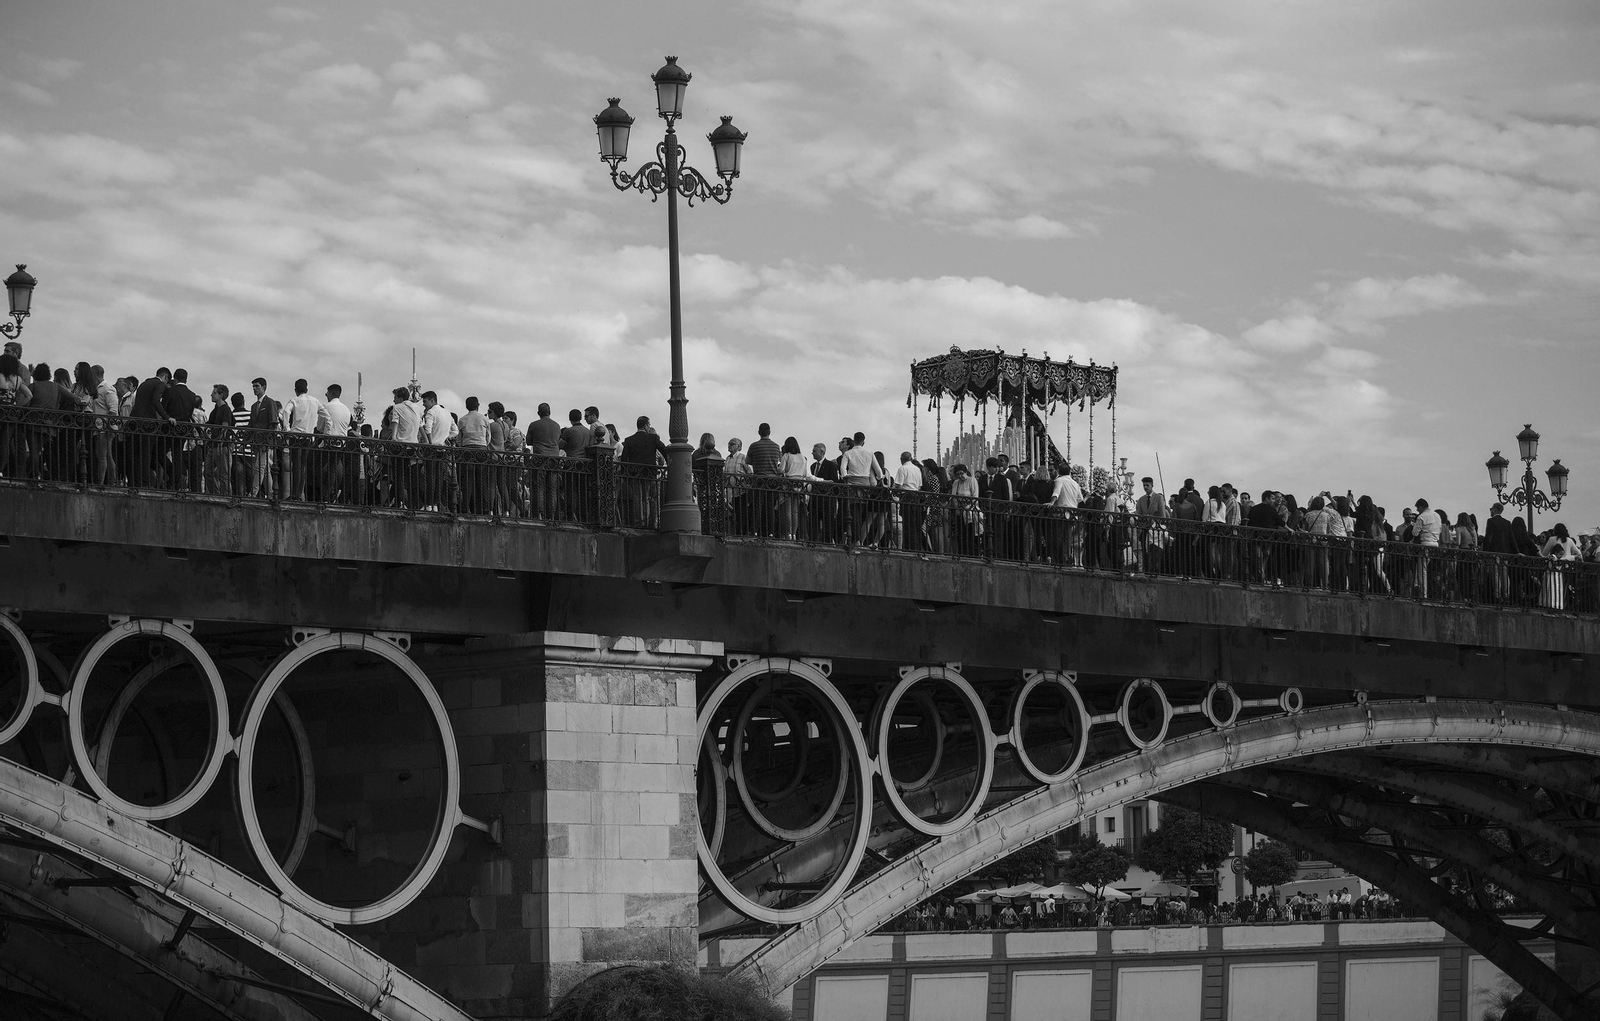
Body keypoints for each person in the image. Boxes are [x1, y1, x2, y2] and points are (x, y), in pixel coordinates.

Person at [619, 415, 670, 526]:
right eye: (649, 425)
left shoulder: (628, 440)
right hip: (649, 472)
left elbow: (624, 459)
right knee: (647, 497)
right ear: (646, 426)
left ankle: (639, 521)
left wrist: (624, 474)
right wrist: (669, 462)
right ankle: (648, 521)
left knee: (637, 497)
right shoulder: (653, 438)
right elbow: (664, 450)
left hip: (634, 473)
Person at [247, 378, 282, 498]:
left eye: (257, 386)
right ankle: (271, 494)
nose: (254, 389)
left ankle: (253, 493)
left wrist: (268, 442)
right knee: (265, 470)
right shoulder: (253, 406)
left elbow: (273, 423)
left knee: (259, 468)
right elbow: (251, 425)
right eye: (253, 386)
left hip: (265, 443)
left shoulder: (270, 402)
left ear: (264, 387)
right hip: (257, 442)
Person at [893, 451, 925, 552]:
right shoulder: (917, 469)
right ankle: (916, 547)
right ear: (911, 458)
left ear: (901, 460)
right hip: (916, 497)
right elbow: (919, 486)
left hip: (906, 497)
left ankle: (909, 547)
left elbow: (899, 485)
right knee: (915, 524)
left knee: (907, 524)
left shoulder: (902, 469)